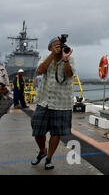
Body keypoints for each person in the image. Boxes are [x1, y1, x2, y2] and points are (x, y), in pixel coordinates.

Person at [30, 36, 75, 170]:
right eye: (55, 45)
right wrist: (52, 55)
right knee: (37, 128)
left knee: (56, 132)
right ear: (50, 48)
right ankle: (42, 150)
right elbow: (40, 70)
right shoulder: (45, 58)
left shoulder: (69, 59)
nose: (58, 47)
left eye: (59, 45)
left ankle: (49, 158)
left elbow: (69, 74)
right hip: (44, 101)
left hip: (62, 102)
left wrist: (65, 59)